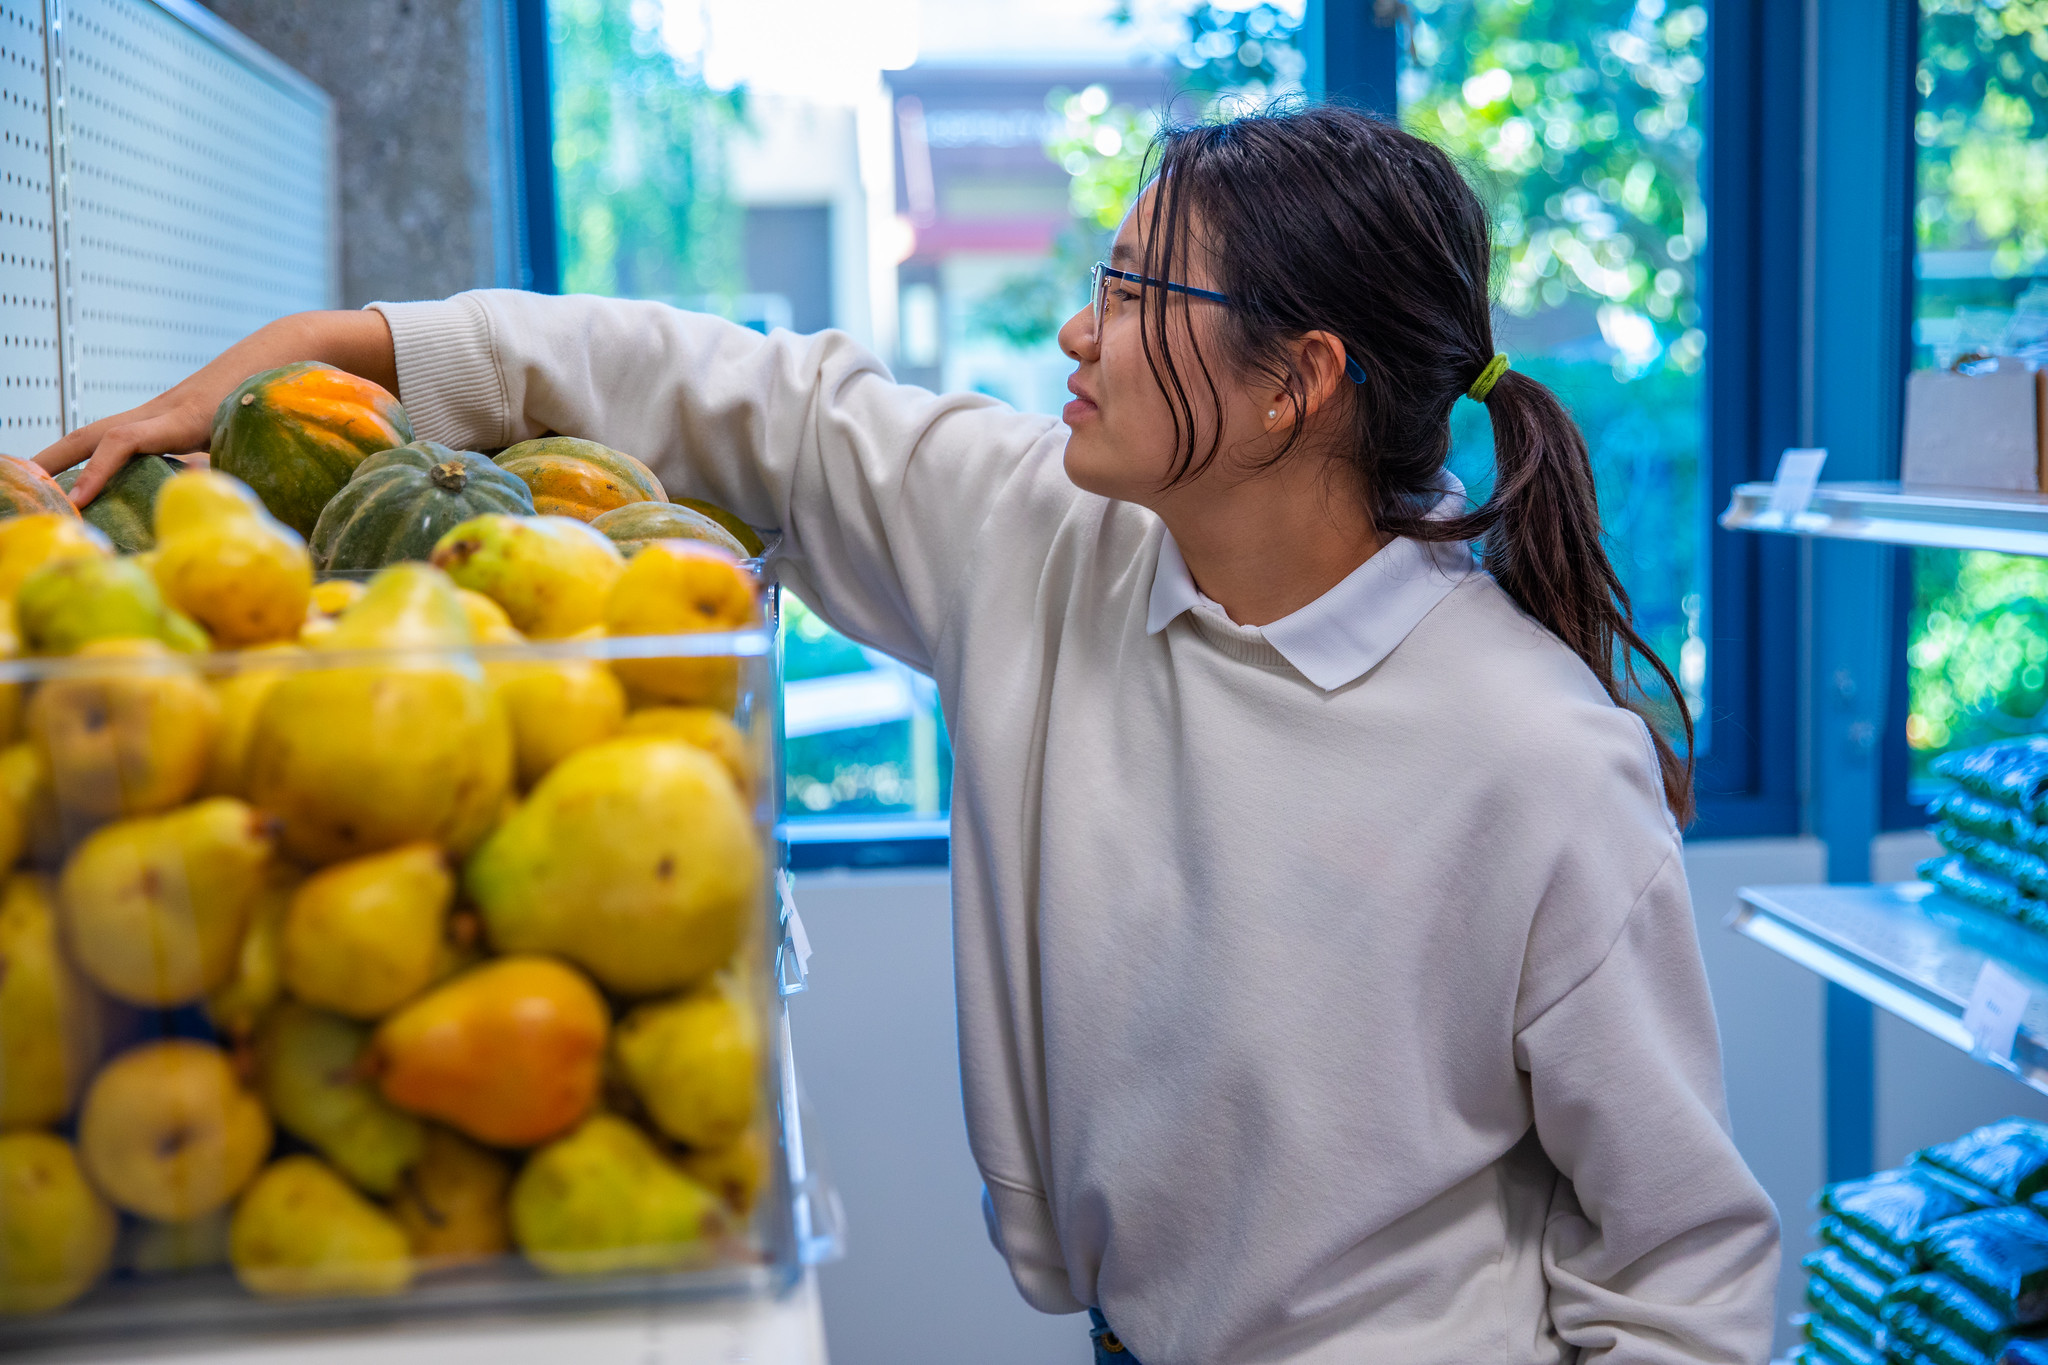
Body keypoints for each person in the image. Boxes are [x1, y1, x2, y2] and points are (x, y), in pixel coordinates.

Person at [40, 104, 1778, 1364]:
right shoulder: (1055, 537)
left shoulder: (1536, 757)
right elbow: (749, 398)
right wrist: (320, 369)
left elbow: (1688, 1265)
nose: (1076, 328)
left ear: (1293, 383)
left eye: (1136, 291)